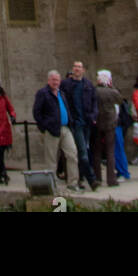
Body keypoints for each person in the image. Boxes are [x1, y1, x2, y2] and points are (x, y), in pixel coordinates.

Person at [33, 70, 81, 186]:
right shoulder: (43, 93)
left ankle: (73, 182)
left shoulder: (61, 93)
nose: (56, 82)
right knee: (51, 159)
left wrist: (70, 121)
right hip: (52, 129)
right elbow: (37, 112)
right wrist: (44, 127)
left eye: (57, 80)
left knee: (72, 154)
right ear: (49, 80)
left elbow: (66, 108)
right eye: (53, 80)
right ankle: (52, 183)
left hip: (65, 128)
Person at [61, 60, 99, 188]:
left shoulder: (88, 84)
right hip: (75, 123)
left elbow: (94, 101)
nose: (77, 69)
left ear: (83, 70)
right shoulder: (66, 84)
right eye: (75, 67)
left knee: (81, 151)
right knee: (82, 152)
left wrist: (93, 115)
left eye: (79, 67)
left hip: (86, 123)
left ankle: (79, 178)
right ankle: (91, 179)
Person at [93, 70, 120, 187]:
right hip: (110, 123)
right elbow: (119, 100)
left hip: (97, 123)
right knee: (110, 151)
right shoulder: (111, 92)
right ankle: (111, 179)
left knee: (97, 152)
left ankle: (97, 178)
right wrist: (112, 86)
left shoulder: (95, 91)